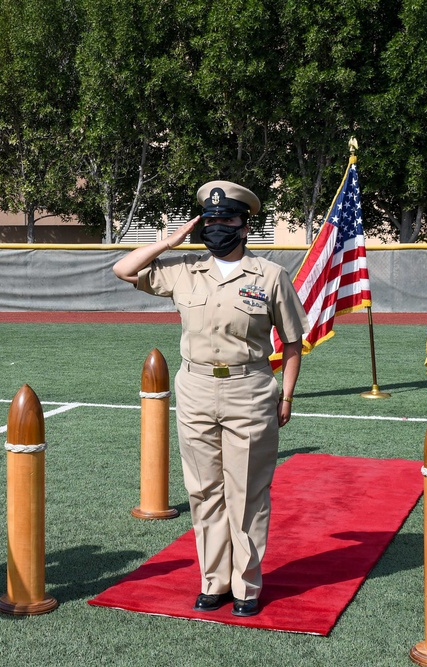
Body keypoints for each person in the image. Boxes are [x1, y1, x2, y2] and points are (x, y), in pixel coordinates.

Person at [113, 180, 308, 617]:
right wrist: (168, 241)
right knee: (203, 490)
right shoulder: (184, 269)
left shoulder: (271, 276)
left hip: (250, 390)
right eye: (211, 220)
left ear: (244, 225)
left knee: (247, 493)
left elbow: (293, 343)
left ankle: (246, 586)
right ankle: (213, 581)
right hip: (196, 389)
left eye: (227, 219)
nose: (218, 227)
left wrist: (287, 396)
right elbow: (124, 270)